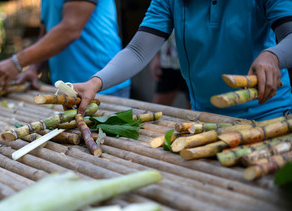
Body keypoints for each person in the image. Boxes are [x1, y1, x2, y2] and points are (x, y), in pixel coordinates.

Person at [74, 0, 292, 121]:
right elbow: (138, 51)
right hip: (207, 119)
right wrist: (95, 82)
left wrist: (273, 56)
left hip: (269, 118)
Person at [0, 0, 131, 98]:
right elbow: (47, 35)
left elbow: (70, 30)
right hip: (67, 90)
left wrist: (16, 62)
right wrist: (33, 68)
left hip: (104, 86)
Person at [149, 30, 190, 107]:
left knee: (194, 112)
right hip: (167, 63)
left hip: (192, 65)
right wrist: (154, 56)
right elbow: (154, 29)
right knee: (157, 108)